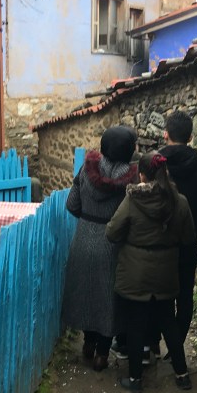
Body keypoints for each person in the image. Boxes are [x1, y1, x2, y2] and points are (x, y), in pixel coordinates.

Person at [106, 150, 196, 393]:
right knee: (169, 322)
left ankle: (135, 380)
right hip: (166, 271)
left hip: (136, 272)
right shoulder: (180, 201)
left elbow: (112, 232)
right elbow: (188, 237)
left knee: (136, 325)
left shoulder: (133, 200)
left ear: (142, 175)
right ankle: (182, 375)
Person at [61, 126, 138, 370]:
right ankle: (102, 354)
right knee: (108, 297)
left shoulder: (86, 170)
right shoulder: (132, 179)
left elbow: (72, 204)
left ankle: (88, 342)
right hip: (113, 243)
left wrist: (88, 215)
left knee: (86, 291)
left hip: (84, 237)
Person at [159, 110, 197, 346]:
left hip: (158, 243)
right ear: (191, 137)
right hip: (188, 242)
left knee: (159, 296)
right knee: (184, 295)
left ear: (165, 135)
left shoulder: (156, 165)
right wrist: (195, 229)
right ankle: (177, 347)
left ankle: (155, 342)